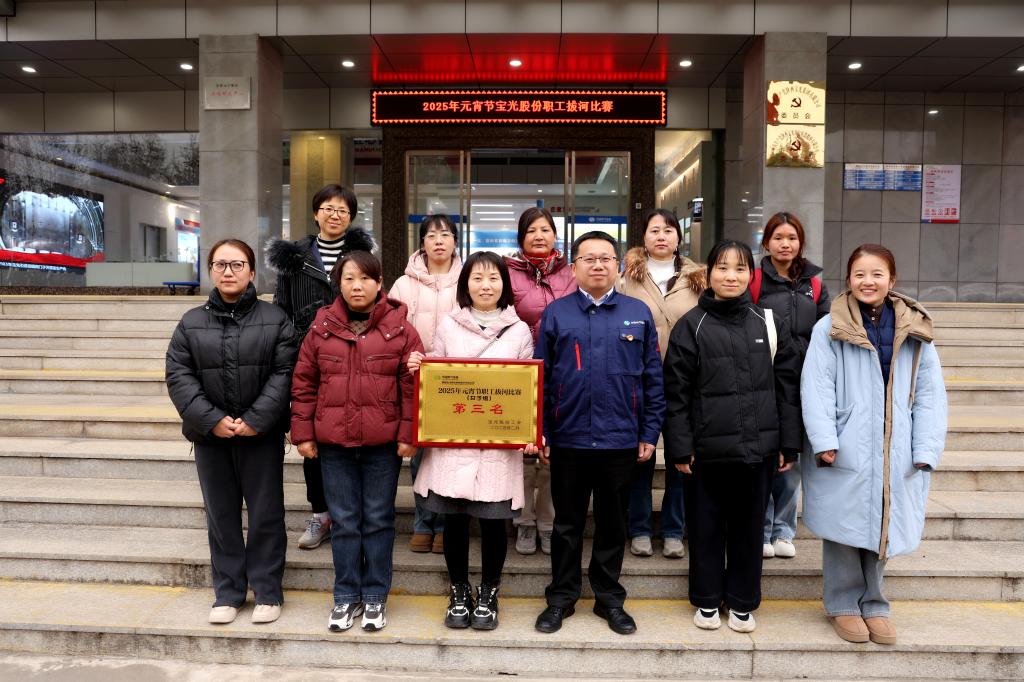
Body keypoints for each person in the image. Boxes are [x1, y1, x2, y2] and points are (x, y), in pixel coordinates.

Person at [801, 244, 946, 645]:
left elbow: (930, 393)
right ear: (848, 279)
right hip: (848, 442)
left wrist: (925, 447)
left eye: (877, 274)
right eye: (860, 274)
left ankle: (875, 603)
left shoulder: (915, 329)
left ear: (892, 280)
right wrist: (824, 439)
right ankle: (842, 603)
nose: (868, 281)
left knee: (884, 522)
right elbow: (816, 386)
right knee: (845, 524)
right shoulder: (829, 327)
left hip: (896, 444)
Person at [662, 239, 802, 634]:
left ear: (750, 275)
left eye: (740, 268)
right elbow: (676, 393)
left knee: (748, 529)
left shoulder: (768, 323)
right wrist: (680, 447)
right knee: (705, 529)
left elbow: (787, 387)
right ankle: (707, 599)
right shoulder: (691, 325)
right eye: (722, 268)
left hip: (758, 451)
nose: (731, 276)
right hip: (705, 454)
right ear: (708, 274)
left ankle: (742, 601)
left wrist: (788, 443)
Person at [533, 231, 665, 636]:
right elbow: (541, 379)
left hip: (620, 440)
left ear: (618, 265)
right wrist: (543, 432)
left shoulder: (637, 313)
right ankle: (561, 597)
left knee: (612, 526)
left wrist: (649, 432)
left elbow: (652, 380)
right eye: (588, 258)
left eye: (606, 258)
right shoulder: (557, 314)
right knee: (567, 525)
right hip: (568, 439)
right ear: (574, 267)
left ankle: (609, 599)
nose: (597, 265)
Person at [289, 249, 423, 633]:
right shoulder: (321, 328)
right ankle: (346, 595)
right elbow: (304, 384)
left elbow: (412, 388)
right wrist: (303, 434)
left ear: (380, 283)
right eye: (348, 278)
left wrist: (408, 435)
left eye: (365, 278)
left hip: (383, 446)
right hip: (334, 446)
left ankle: (376, 595)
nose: (357, 286)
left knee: (378, 520)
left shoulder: (401, 330)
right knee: (345, 522)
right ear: (339, 284)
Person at [165, 239, 296, 625]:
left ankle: (268, 591)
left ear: (252, 272)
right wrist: (211, 419)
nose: (228, 271)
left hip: (261, 436)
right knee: (221, 516)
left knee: (266, 514)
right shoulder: (191, 322)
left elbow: (285, 373)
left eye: (237, 264)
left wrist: (256, 418)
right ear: (210, 271)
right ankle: (228, 592)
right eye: (220, 264)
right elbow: (179, 375)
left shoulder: (276, 319)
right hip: (211, 438)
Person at [407, 251, 535, 631]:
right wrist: (420, 368)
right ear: (465, 285)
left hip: (497, 447)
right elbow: (437, 375)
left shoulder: (519, 330)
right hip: (454, 445)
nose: (485, 285)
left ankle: (490, 591)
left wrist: (529, 430)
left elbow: (526, 390)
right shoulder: (449, 325)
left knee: (495, 525)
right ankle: (459, 590)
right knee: (455, 522)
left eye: (494, 278)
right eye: (477, 278)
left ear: (504, 285)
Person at [267, 183, 376, 551]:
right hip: (308, 359)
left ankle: (352, 513)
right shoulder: (293, 258)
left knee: (352, 436)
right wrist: (288, 355)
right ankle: (322, 514)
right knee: (312, 438)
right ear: (316, 213)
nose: (335, 215)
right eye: (328, 208)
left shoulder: (362, 257)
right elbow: (281, 311)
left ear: (351, 216)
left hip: (354, 358)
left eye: (343, 210)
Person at [616, 208, 705, 560]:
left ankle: (673, 530)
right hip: (640, 380)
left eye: (668, 230)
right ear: (644, 236)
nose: (662, 236)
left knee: (681, 457)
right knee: (642, 456)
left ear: (679, 237)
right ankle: (639, 528)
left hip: (687, 380)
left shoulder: (698, 278)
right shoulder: (626, 278)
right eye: (654, 230)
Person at [754, 211, 831, 561]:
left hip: (802, 381)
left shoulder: (815, 284)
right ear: (766, 242)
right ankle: (762, 528)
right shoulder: (755, 280)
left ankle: (784, 529)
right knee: (765, 457)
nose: (785, 244)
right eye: (778, 237)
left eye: (792, 238)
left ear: (801, 242)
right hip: (764, 379)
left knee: (792, 458)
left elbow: (827, 330)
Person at [505, 207, 577, 556]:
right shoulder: (506, 272)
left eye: (545, 229)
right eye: (531, 230)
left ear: (555, 235)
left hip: (562, 374)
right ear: (521, 237)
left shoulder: (570, 273)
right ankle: (523, 521)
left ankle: (548, 522)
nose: (538, 236)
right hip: (518, 375)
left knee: (552, 453)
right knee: (522, 454)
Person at [391, 214, 463, 555]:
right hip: (415, 382)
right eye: (431, 235)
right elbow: (391, 330)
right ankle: (423, 523)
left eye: (445, 235)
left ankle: (446, 525)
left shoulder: (468, 279)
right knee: (419, 456)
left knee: (448, 456)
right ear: (422, 243)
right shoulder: (403, 285)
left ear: (455, 242)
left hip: (456, 382)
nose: (438, 241)